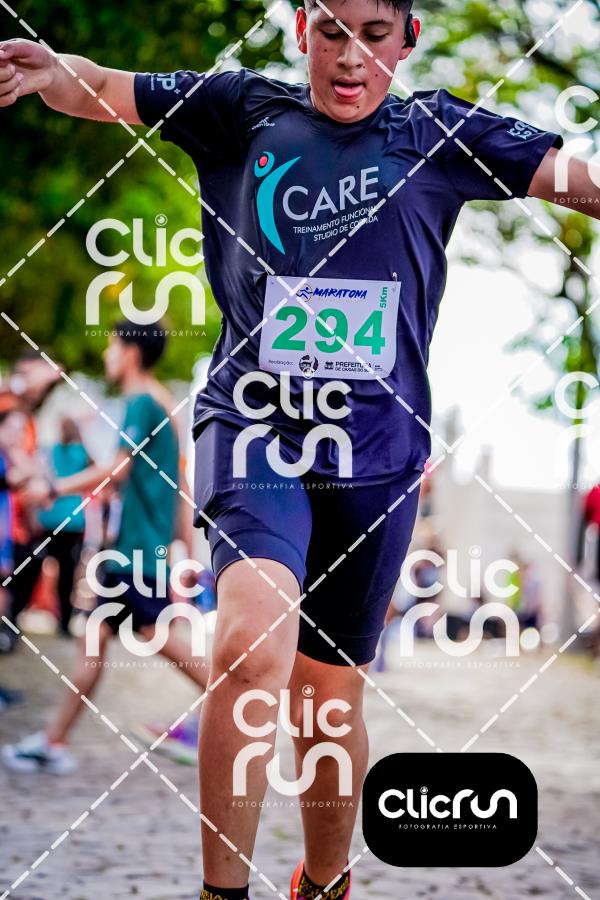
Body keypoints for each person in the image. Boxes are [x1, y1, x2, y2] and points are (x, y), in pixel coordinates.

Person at [1, 2, 599, 897]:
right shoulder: (241, 110)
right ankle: (222, 891)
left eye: (373, 34)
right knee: (249, 650)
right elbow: (105, 87)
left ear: (408, 38)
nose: (350, 58)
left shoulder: (437, 133)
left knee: (326, 704)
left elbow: (570, 177)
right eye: (330, 33)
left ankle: (324, 880)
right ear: (299, 31)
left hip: (377, 457)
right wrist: (53, 72)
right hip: (255, 432)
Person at [2, 323, 209, 774]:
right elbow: (177, 488)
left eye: (113, 346)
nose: (107, 355)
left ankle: (231, 709)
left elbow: (116, 469)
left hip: (135, 554)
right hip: (135, 551)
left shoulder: (142, 403)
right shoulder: (162, 405)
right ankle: (53, 742)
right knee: (93, 642)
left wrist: (52, 489)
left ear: (131, 353)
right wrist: (187, 552)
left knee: (158, 637)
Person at [36, 416, 91, 636]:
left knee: (40, 565)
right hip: (72, 521)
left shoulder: (52, 451)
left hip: (50, 518)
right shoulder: (81, 452)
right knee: (68, 572)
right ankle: (65, 622)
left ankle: (16, 613)